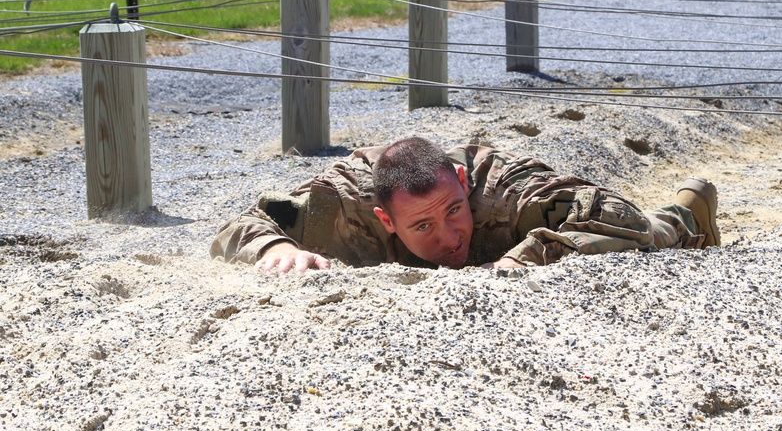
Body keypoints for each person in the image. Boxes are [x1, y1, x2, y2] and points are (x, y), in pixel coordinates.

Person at [211, 136, 720, 274]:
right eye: (423, 225)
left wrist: (522, 259)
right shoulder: (343, 205)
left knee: (648, 238)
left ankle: (686, 213)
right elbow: (243, 222)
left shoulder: (504, 189)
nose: (449, 237)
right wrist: (275, 247)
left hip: (517, 236)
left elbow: (617, 217)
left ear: (461, 182)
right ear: (386, 220)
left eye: (454, 211)